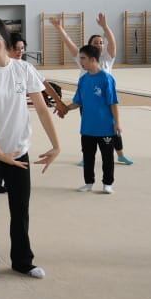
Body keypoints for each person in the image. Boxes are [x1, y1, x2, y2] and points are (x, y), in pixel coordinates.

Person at [0, 19, 61, 283]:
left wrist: (56, 144)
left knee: (20, 210)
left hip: (19, 151)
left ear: (5, 40)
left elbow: (41, 108)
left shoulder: (24, 69)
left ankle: (22, 261)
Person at [51, 14, 134, 165]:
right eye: (96, 42)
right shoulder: (82, 59)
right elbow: (69, 43)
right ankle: (86, 156)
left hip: (106, 101)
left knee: (113, 126)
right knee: (88, 128)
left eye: (101, 42)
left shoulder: (107, 58)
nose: (99, 44)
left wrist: (104, 27)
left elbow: (113, 44)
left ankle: (120, 153)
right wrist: (59, 28)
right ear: (89, 46)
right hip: (88, 101)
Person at [60, 45, 121, 194]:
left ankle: (108, 183)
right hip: (87, 127)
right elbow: (78, 101)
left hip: (105, 127)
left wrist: (117, 123)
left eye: (83, 58)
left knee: (107, 157)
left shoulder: (107, 79)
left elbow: (113, 102)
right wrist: (66, 108)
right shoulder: (83, 80)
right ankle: (88, 182)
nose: (80, 61)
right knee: (88, 157)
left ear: (93, 59)